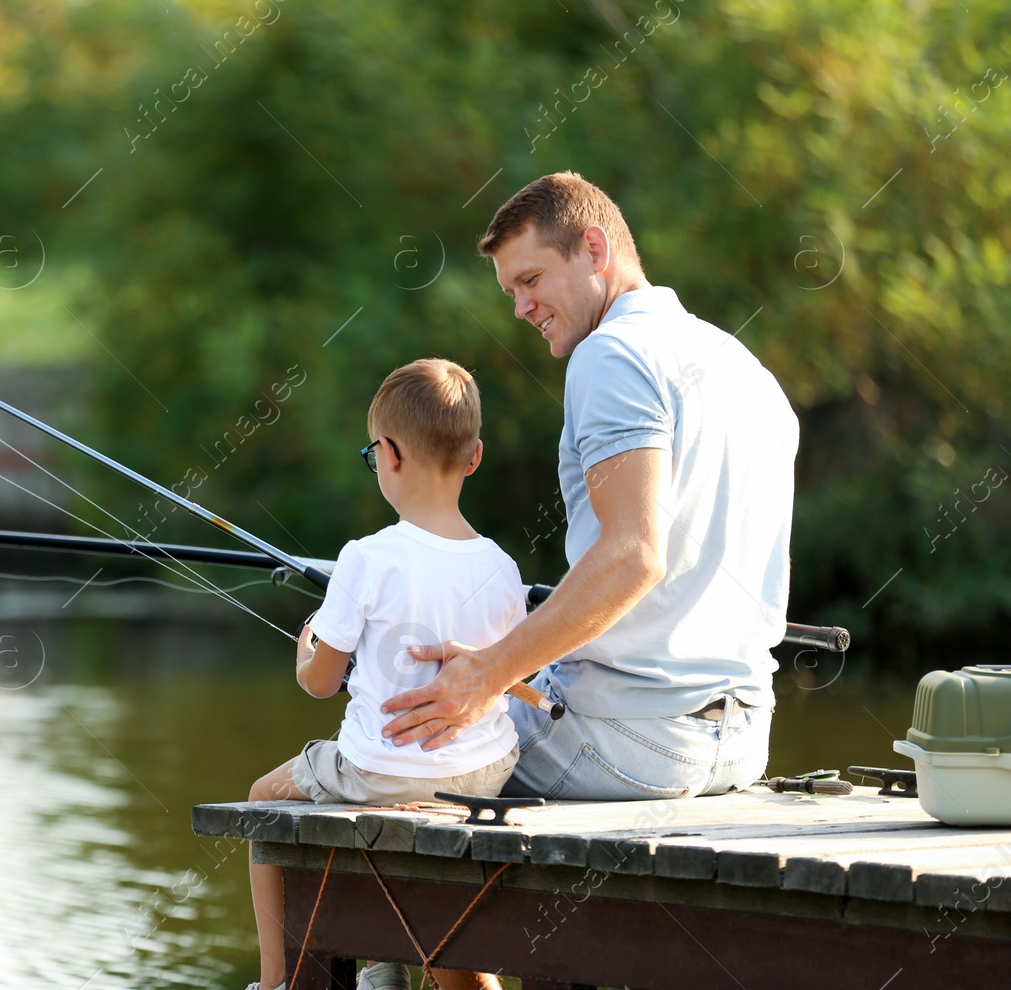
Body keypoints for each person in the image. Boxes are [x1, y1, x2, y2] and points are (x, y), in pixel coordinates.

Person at [381, 171, 800, 800]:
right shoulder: (747, 369)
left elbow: (635, 556)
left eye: (530, 280)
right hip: (745, 742)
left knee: (384, 744)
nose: (521, 307)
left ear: (595, 251)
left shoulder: (610, 354)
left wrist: (487, 674)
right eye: (511, 292)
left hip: (629, 743)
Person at [245, 358, 523, 990]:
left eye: (373, 456)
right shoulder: (503, 567)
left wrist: (306, 646)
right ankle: (385, 964)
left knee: (263, 798)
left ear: (389, 455)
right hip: (484, 773)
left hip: (380, 770)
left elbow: (320, 682)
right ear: (474, 457)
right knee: (398, 804)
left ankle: (274, 980)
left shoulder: (365, 558)